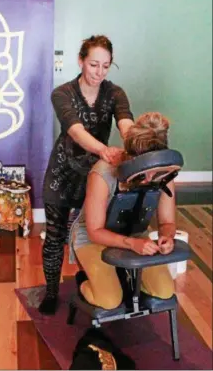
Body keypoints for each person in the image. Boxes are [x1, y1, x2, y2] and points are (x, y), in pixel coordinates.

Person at [40, 35, 134, 314]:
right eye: (94, 64)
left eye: (106, 66)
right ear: (81, 61)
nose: (99, 72)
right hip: (62, 173)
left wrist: (134, 142)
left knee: (93, 233)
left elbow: (126, 122)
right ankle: (51, 292)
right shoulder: (62, 93)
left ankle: (91, 277)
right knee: (56, 235)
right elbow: (76, 131)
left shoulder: (115, 93)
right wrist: (105, 151)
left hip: (96, 177)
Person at [70, 112, 175, 310]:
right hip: (92, 239)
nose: (148, 179)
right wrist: (131, 244)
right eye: (143, 171)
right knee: (109, 300)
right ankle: (83, 282)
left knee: (164, 291)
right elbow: (94, 231)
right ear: (130, 158)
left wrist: (167, 237)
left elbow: (167, 223)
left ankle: (121, 275)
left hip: (135, 235)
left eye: (155, 171)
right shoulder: (103, 173)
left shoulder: (164, 175)